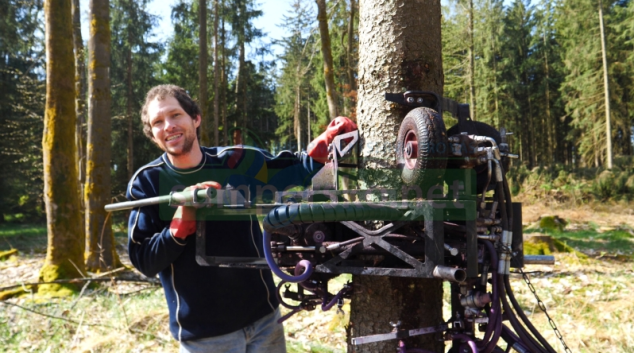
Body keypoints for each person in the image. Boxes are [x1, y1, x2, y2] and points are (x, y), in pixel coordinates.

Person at [126, 84, 356, 353]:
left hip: (264, 320)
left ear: (195, 118)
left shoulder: (236, 162)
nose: (168, 126)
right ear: (153, 134)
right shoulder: (148, 182)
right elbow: (144, 260)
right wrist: (178, 226)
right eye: (158, 122)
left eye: (175, 115)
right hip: (205, 336)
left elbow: (297, 169)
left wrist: (327, 142)